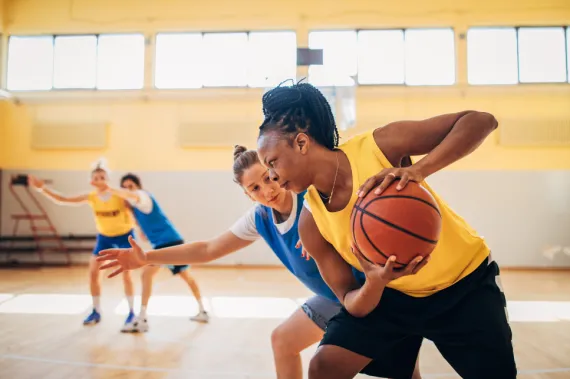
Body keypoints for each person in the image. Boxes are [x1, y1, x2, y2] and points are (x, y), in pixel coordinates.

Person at [256, 82, 517, 379]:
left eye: (272, 162)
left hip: (465, 287)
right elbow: (350, 301)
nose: (273, 177)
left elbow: (481, 121)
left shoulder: (379, 146)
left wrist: (419, 170)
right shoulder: (310, 224)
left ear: (301, 143)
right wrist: (374, 283)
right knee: (325, 366)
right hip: (393, 297)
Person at [96, 146, 423, 379]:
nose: (268, 189)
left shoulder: (309, 199)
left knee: (403, 372)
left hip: (363, 293)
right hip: (331, 298)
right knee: (283, 341)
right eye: (255, 187)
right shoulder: (259, 218)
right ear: (247, 194)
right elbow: (207, 249)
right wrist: (147, 257)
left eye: (269, 178)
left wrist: (327, 238)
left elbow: (356, 223)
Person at [28, 160, 136, 331]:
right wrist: (42, 188)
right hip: (105, 238)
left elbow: (135, 204)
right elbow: (62, 199)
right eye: (96, 177)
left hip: (124, 236)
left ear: (108, 179)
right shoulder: (91, 197)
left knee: (126, 275)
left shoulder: (118, 195)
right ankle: (96, 310)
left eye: (103, 176)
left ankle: (131, 312)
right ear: (91, 181)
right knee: (93, 272)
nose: (100, 179)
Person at [102, 172, 209, 332]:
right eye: (124, 187)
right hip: (165, 243)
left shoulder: (143, 197)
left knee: (147, 274)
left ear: (138, 187)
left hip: (169, 242)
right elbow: (143, 231)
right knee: (184, 276)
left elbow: (131, 196)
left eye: (130, 186)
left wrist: (108, 188)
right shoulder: (136, 207)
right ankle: (203, 310)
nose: (127, 190)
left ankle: (142, 319)